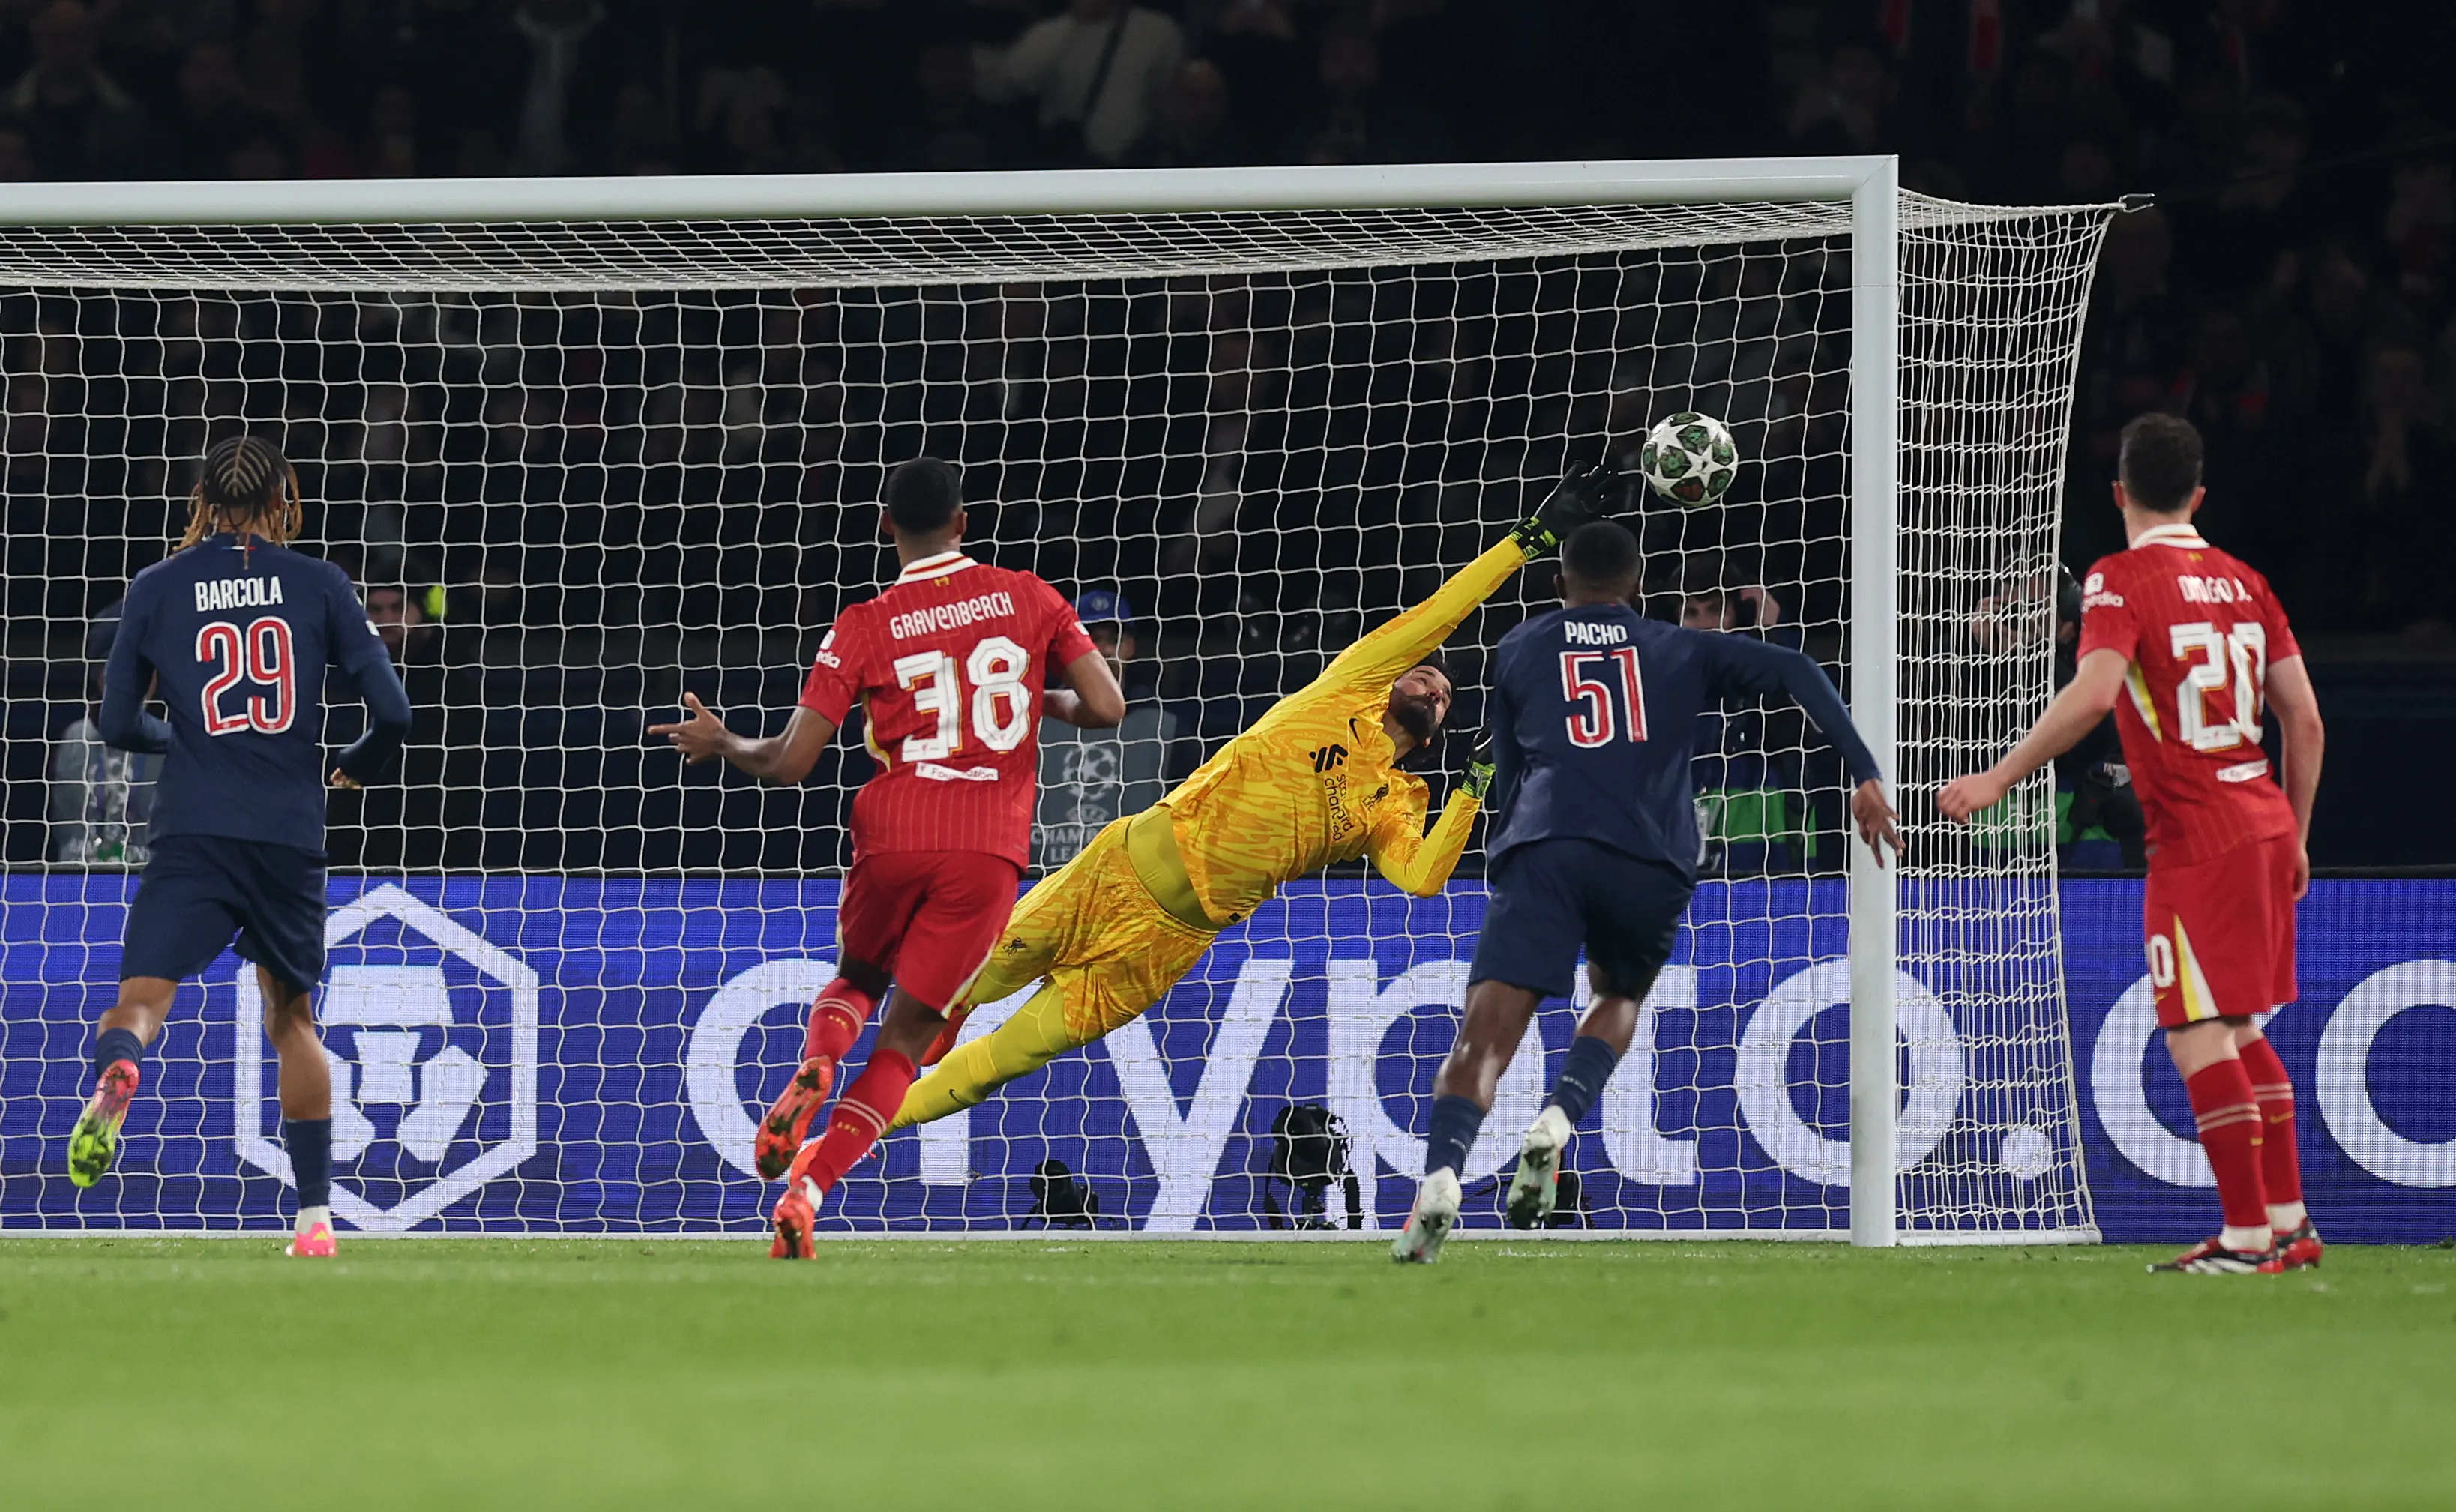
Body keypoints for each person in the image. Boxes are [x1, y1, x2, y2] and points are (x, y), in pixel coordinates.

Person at [883, 466, 1635, 1142]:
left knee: (999, 1064)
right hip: (1110, 875)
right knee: (949, 986)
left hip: (1164, 945)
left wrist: (1473, 788)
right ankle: (838, 1086)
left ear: (1437, 736)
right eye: (1426, 676)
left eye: (1444, 695)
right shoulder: (1344, 691)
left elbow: (1423, 878)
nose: (1433, 684)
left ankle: (841, 1143)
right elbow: (1441, 611)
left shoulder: (1394, 803)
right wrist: (1527, 542)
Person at [649, 457, 1123, 1259]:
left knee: (859, 977)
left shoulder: (863, 623)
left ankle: (817, 1063)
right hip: (985, 847)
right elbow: (1107, 707)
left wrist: (724, 738)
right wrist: (1030, 696)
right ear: (964, 522)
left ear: (886, 526)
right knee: (907, 1044)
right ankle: (807, 1189)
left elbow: (791, 761)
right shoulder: (1032, 596)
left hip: (893, 826)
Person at [1392, 521, 1900, 1262]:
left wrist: (1511, 855)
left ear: (1559, 585)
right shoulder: (1679, 645)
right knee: (1617, 997)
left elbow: (1504, 764)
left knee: (1484, 1034)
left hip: (1547, 845)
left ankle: (1439, 1179)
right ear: (1638, 588)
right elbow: (1798, 670)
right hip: (1649, 855)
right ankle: (1560, 1122)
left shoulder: (1519, 648)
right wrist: (1862, 768)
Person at [1939, 414, 2326, 1276]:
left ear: (2118, 493)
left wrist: (1997, 778)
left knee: (2192, 1027)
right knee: (2237, 1022)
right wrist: (2295, 832)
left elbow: (2093, 693)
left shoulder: (2119, 579)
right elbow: (2303, 718)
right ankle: (2290, 1222)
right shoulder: (2245, 581)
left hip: (2196, 837)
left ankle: (2245, 1234)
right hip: (2262, 819)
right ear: (2198, 494)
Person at [67, 436, 414, 1259]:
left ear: (202, 500)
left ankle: (120, 1070)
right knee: (292, 1019)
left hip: (193, 826)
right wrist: (351, 767)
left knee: (142, 1001)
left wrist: (184, 738)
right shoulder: (323, 583)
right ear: (283, 496)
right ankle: (316, 1223)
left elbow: (115, 724)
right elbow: (395, 714)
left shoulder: (157, 585)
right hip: (287, 830)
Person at [1032, 588, 1177, 870]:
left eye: (1116, 639)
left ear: (1131, 647)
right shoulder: (1033, 721)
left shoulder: (1165, 727)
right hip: (1038, 883)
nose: (1107, 650)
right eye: (1093, 639)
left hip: (1134, 883)